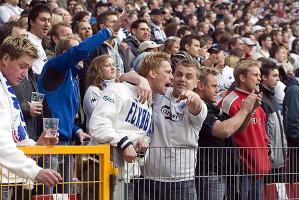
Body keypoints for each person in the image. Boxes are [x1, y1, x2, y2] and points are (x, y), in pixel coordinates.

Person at [37, 25, 119, 193]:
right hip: (49, 143)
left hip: (67, 143)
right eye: (76, 51)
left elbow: (65, 114)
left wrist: (76, 130)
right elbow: (79, 51)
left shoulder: (73, 78)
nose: (84, 54)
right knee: (47, 194)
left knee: (66, 194)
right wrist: (107, 32)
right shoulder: (54, 68)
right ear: (64, 55)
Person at [89, 52, 174, 200]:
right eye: (167, 72)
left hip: (126, 176)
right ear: (152, 73)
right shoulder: (118, 89)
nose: (171, 77)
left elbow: (137, 152)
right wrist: (124, 142)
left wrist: (141, 151)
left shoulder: (148, 103)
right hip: (99, 169)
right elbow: (98, 125)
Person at [0, 35, 61, 199]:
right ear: (6, 58)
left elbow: (15, 140)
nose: (25, 74)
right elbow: (1, 144)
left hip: (7, 181)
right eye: (22, 66)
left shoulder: (6, 88)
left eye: (28, 68)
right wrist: (35, 171)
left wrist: (37, 145)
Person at [139, 59, 207, 200]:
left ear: (197, 83)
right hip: (148, 179)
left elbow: (197, 106)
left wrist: (194, 98)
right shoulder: (159, 93)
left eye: (188, 77)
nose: (182, 79)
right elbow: (124, 77)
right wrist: (142, 80)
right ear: (173, 76)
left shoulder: (199, 104)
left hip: (181, 182)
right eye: (179, 74)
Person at [194, 67, 258, 200]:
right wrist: (244, 110)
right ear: (200, 85)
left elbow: (236, 129)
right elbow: (224, 130)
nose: (217, 90)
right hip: (208, 173)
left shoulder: (213, 107)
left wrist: (250, 111)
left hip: (222, 171)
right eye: (213, 86)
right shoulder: (199, 107)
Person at [219, 59, 270, 200]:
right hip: (240, 171)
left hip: (259, 169)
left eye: (260, 75)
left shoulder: (257, 103)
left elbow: (263, 136)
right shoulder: (229, 101)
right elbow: (224, 134)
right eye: (255, 75)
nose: (260, 78)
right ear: (242, 77)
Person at [260, 61, 287, 183]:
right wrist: (269, 155)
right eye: (274, 76)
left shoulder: (272, 98)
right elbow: (264, 132)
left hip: (278, 160)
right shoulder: (262, 100)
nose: (278, 79)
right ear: (264, 77)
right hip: (269, 162)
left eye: (278, 76)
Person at [83, 54, 116, 131]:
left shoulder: (118, 88)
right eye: (107, 65)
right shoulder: (93, 91)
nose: (113, 68)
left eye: (113, 65)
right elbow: (100, 117)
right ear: (98, 70)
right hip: (99, 138)